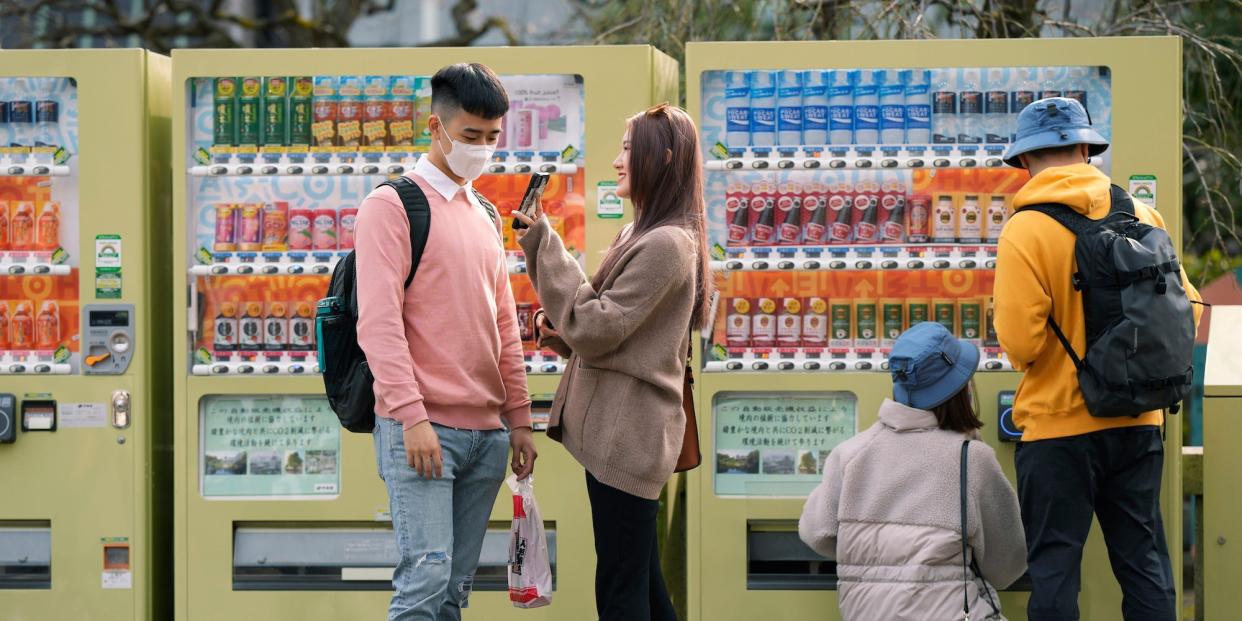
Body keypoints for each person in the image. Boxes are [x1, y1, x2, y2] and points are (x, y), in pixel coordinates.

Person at [994, 96, 1203, 621]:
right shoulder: (1142, 212)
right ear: (1087, 147)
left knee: (1055, 573)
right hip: (1138, 423)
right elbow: (1188, 313)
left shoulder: (1026, 230)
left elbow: (1021, 344)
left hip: (1057, 431)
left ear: (1023, 161)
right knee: (1144, 566)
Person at [512, 103, 711, 621]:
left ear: (662, 157)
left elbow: (599, 328)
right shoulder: (640, 232)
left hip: (630, 439)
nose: (618, 161)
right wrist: (560, 335)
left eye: (628, 149)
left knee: (621, 593)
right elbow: (617, 333)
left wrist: (543, 241)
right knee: (643, 585)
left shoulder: (667, 243)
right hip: (617, 433)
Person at [354, 62, 537, 621]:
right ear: (436, 128)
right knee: (424, 582)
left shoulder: (482, 211)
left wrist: (520, 418)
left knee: (455, 589)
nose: (482, 150)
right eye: (470, 137)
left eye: (492, 138)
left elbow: (502, 321)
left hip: (487, 434)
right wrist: (411, 417)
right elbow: (378, 325)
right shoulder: (391, 206)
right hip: (424, 429)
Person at [799, 321, 1028, 621]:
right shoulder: (972, 459)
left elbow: (816, 533)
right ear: (961, 391)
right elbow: (1007, 564)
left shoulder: (850, 454)